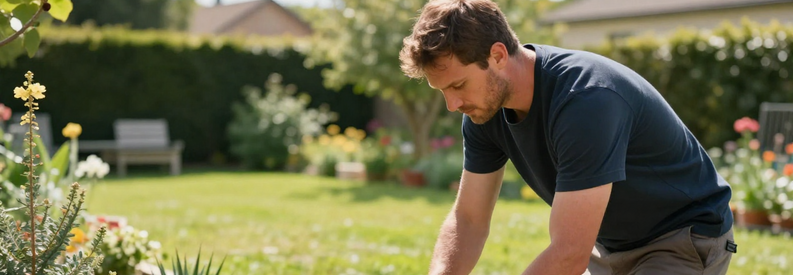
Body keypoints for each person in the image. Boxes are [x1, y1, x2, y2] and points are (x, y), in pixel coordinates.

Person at [398, 0, 736, 274]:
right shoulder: (483, 111)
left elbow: (569, 254)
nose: (453, 105)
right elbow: (468, 220)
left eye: (457, 85)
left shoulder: (585, 99)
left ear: (498, 56)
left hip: (682, 240)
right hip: (608, 247)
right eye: (442, 91)